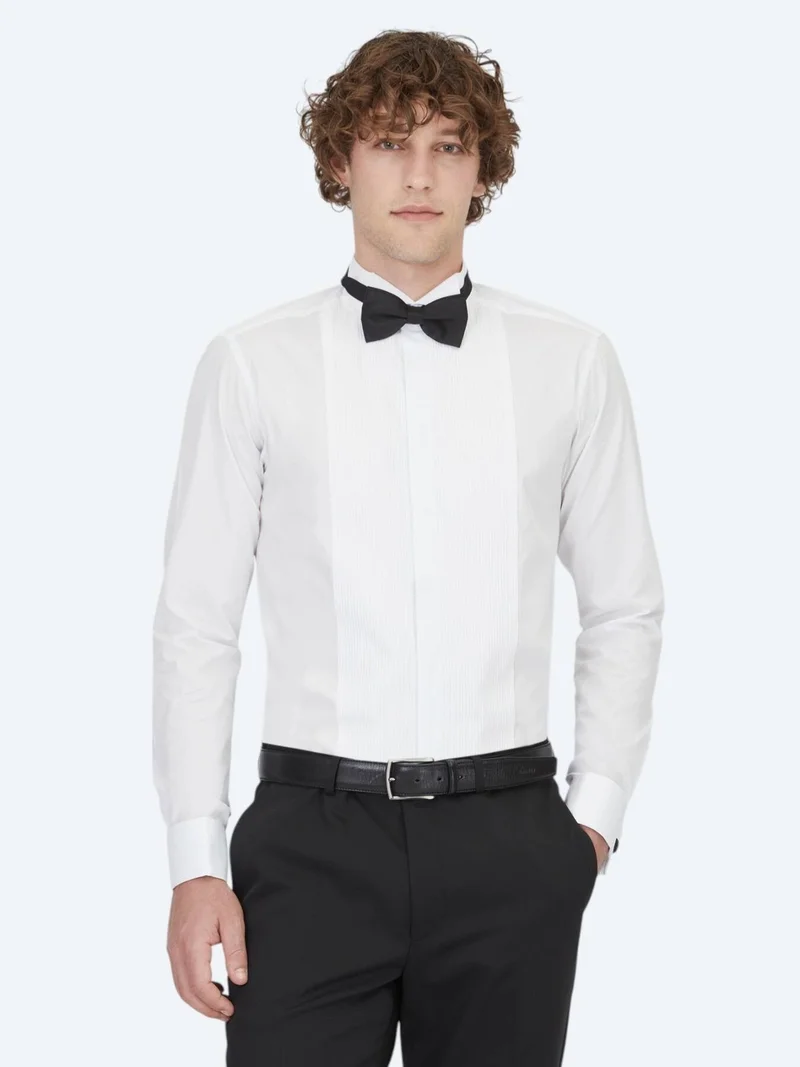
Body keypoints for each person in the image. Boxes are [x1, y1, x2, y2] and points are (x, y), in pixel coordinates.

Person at [152, 28, 665, 1067]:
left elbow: (624, 603)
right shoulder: (250, 364)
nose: (420, 175)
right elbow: (195, 622)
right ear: (341, 160)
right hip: (309, 840)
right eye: (390, 143)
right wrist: (195, 858)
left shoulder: (570, 361)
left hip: (509, 838)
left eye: (448, 145)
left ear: (484, 169)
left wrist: (592, 821)